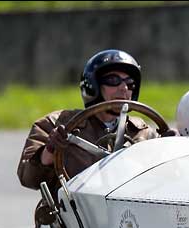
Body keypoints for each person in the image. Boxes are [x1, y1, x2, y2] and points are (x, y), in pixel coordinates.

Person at [17, 49, 158, 194]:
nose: (124, 88)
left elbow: (167, 181)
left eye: (130, 83)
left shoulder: (143, 132)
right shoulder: (56, 123)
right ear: (93, 85)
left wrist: (173, 148)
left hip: (129, 214)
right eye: (113, 81)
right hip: (76, 213)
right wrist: (50, 150)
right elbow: (28, 178)